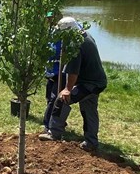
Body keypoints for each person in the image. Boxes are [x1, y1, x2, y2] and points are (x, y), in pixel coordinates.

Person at [40, 17, 107, 152]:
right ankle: (91, 142)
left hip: (88, 83)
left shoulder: (75, 45)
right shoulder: (86, 35)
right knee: (89, 110)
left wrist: (67, 89)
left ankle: (54, 133)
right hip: (98, 82)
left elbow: (73, 72)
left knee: (62, 99)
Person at [42, 11, 66, 134]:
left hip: (60, 73)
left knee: (54, 99)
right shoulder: (50, 33)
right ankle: (55, 120)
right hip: (50, 72)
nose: (49, 21)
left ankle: (49, 125)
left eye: (51, 18)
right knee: (49, 98)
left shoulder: (63, 34)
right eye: (48, 18)